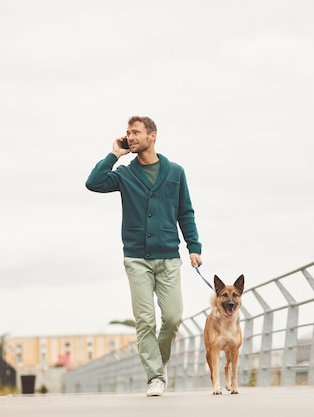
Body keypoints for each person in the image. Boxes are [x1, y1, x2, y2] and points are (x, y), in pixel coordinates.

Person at [85, 115, 203, 397]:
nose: (131, 136)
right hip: (136, 258)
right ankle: (155, 377)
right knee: (145, 320)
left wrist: (194, 246)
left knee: (173, 317)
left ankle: (158, 362)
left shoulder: (175, 172)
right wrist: (114, 154)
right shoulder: (125, 173)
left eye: (136, 132)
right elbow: (94, 183)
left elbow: (184, 211)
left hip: (169, 257)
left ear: (153, 136)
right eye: (128, 133)